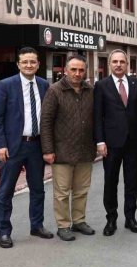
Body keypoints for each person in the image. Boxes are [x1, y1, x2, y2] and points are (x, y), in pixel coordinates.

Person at [0, 47, 52, 248]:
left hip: (36, 146)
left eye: (32, 61)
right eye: (25, 62)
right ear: (18, 64)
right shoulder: (5, 85)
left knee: (38, 189)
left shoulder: (44, 85)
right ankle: (4, 232)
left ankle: (37, 225)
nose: (29, 65)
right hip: (13, 147)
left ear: (38, 64)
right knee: (5, 191)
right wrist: (0, 145)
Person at [40, 54, 96, 242]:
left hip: (85, 150)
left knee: (81, 190)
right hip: (61, 152)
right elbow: (46, 122)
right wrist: (48, 150)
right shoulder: (55, 91)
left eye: (81, 70)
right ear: (65, 70)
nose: (77, 73)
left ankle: (79, 221)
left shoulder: (90, 90)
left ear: (85, 71)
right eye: (73, 69)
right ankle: (63, 226)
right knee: (62, 193)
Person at [93, 49, 137, 237]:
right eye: (115, 61)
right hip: (111, 143)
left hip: (132, 142)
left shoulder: (136, 84)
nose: (118, 65)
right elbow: (97, 116)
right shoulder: (101, 86)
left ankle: (130, 218)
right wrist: (100, 141)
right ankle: (111, 219)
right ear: (109, 64)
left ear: (127, 64)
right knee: (110, 182)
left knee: (132, 182)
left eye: (122, 62)